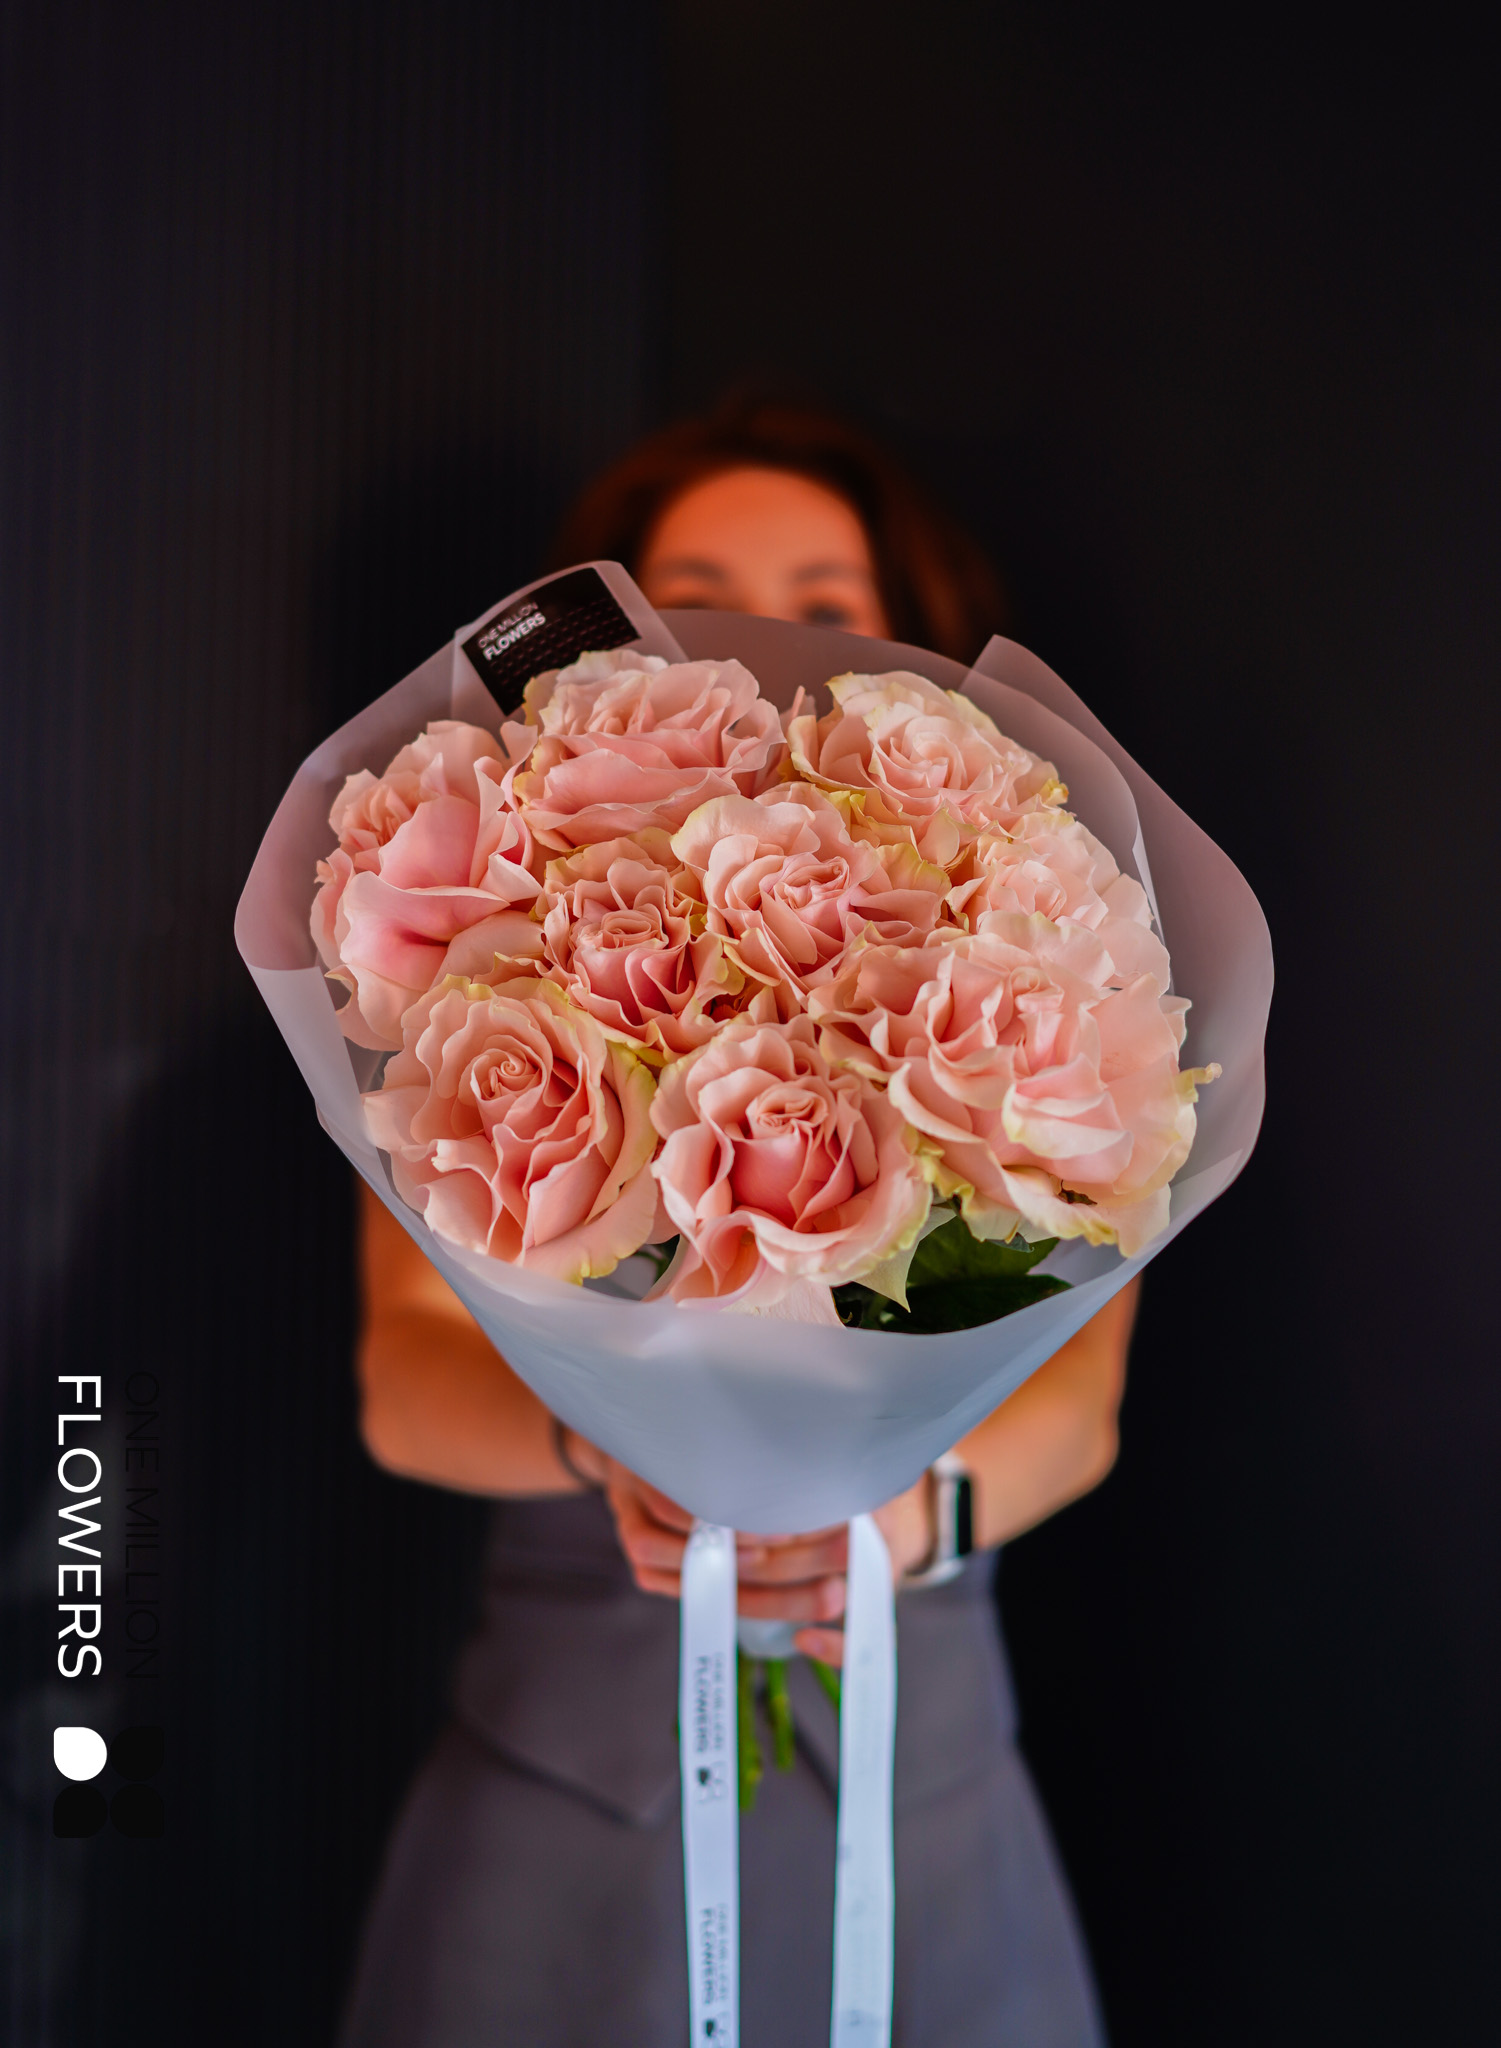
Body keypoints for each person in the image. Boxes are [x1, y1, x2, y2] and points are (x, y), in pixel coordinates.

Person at [336, 393, 1136, 2047]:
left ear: (906, 645)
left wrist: (902, 1522)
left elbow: (1080, 1400)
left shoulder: (1041, 969)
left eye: (824, 603)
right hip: (558, 1813)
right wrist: (602, 1454)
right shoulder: (480, 978)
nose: (765, 634)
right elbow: (399, 1383)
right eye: (694, 590)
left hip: (924, 1800)